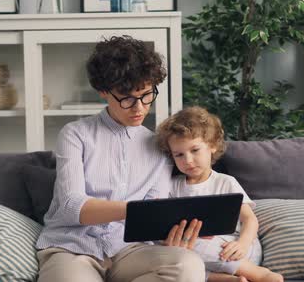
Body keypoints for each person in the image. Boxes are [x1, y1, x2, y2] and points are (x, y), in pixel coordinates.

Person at [36, 36, 205, 282]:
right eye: (127, 98)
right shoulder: (75, 134)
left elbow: (153, 216)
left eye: (147, 95)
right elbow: (74, 207)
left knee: (188, 265)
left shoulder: (160, 146)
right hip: (73, 248)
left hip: (130, 249)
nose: (139, 108)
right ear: (104, 91)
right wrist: (141, 211)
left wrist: (176, 232)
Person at [156, 106, 284, 282]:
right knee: (165, 249)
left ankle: (259, 274)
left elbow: (249, 219)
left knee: (194, 246)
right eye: (179, 155)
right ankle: (222, 278)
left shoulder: (225, 182)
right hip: (194, 251)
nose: (188, 160)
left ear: (212, 146)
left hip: (235, 248)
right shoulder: (172, 186)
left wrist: (243, 243)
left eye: (195, 150)